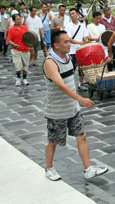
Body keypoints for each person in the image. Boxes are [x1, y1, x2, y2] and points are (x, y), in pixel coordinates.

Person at [43, 30, 108, 181]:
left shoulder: (67, 57)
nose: (69, 43)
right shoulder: (50, 62)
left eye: (69, 40)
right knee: (53, 141)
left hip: (73, 109)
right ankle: (49, 168)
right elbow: (61, 86)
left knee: (82, 136)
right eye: (66, 42)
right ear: (56, 45)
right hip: (57, 111)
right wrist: (81, 99)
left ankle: (88, 169)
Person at [65, 8, 90, 90]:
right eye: (70, 14)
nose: (72, 15)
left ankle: (80, 83)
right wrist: (79, 42)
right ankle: (69, 84)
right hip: (72, 51)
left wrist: (86, 39)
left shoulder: (82, 25)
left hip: (81, 50)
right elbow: (68, 38)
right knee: (72, 68)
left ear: (77, 14)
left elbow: (85, 35)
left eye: (73, 13)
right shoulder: (68, 26)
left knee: (82, 68)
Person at [7, 14, 31, 86]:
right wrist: (14, 44)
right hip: (16, 50)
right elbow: (9, 40)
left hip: (25, 49)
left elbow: (29, 37)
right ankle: (18, 78)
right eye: (17, 20)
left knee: (25, 66)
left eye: (20, 19)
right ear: (14, 21)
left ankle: (24, 79)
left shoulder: (25, 28)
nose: (19, 21)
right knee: (18, 65)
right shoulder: (11, 30)